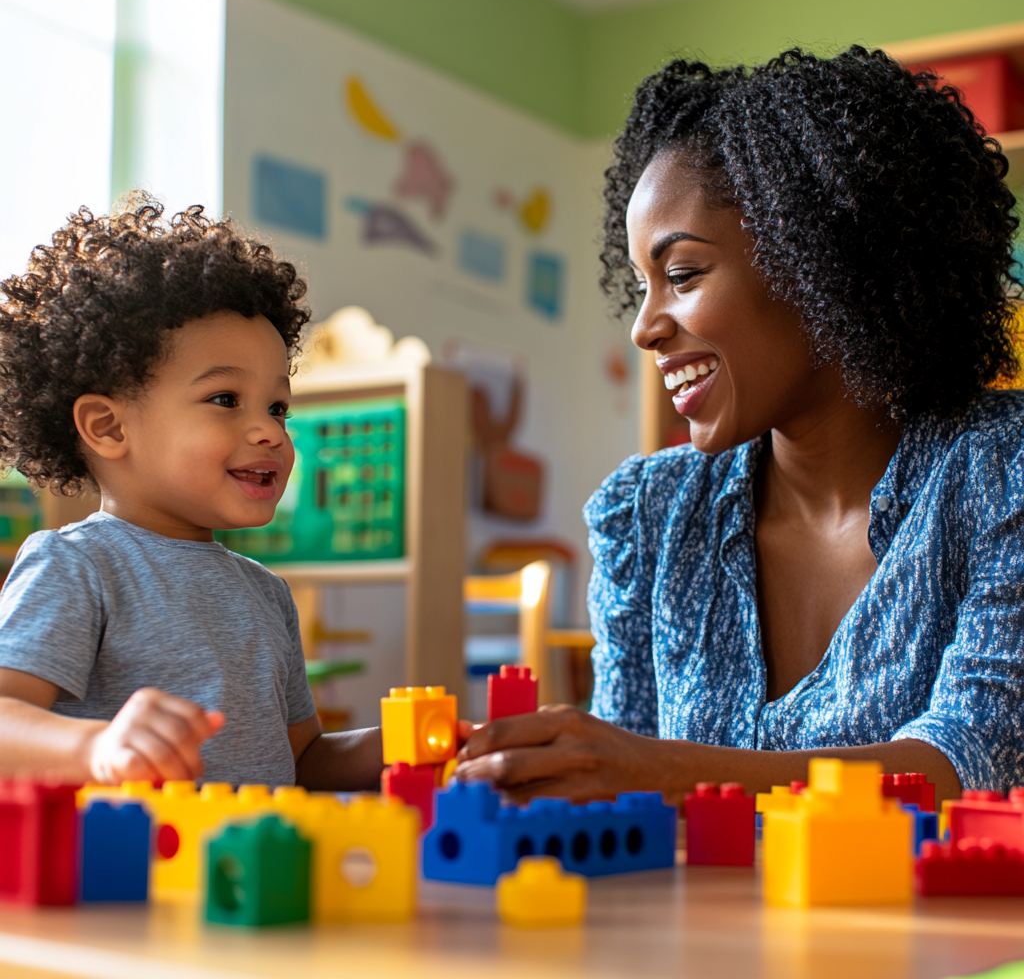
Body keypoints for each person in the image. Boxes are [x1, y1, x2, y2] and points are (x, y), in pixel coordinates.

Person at [457, 47, 1024, 806]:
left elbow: (976, 761)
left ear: (824, 257)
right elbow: (616, 795)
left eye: (682, 274)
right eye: (640, 287)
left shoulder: (998, 473)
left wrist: (667, 772)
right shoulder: (649, 515)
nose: (645, 328)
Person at [0, 197, 383, 789]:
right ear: (108, 427)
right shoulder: (78, 565)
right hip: (132, 875)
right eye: (226, 399)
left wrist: (405, 746)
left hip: (253, 873)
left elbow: (301, 761)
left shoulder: (268, 594)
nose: (270, 431)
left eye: (277, 407)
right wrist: (98, 745)